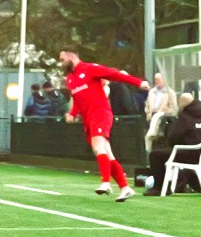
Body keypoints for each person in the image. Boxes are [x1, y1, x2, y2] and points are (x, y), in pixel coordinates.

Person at [56, 47, 148, 202]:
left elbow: (115, 75)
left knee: (99, 147)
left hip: (101, 113)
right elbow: (78, 100)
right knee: (106, 153)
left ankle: (105, 182)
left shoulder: (90, 69)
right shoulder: (70, 79)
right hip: (88, 119)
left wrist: (138, 82)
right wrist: (72, 114)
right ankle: (125, 187)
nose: (61, 63)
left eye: (62, 59)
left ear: (71, 56)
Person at [142, 92, 201, 192]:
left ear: (182, 103)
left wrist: (175, 143)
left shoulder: (185, 116)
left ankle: (159, 187)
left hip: (189, 154)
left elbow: (174, 138)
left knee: (155, 155)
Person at [143, 72, 177, 151]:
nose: (156, 81)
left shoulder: (170, 92)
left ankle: (152, 135)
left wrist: (164, 112)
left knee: (158, 139)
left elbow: (174, 108)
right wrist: (148, 112)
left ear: (164, 80)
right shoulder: (151, 92)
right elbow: (147, 104)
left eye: (158, 79)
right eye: (155, 79)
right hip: (151, 116)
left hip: (163, 118)